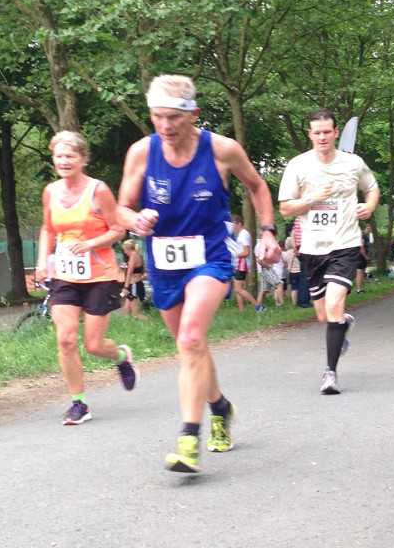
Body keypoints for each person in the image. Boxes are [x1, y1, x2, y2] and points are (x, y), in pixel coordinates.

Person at [117, 74, 280, 473]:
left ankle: (189, 440)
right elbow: (121, 208)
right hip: (163, 261)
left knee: (191, 338)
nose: (165, 126)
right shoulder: (142, 152)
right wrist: (135, 219)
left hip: (209, 255)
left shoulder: (222, 150)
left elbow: (258, 187)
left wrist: (269, 231)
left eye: (173, 117)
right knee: (191, 347)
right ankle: (220, 407)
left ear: (194, 114)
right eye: (157, 117)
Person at [36, 130, 138, 426]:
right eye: (59, 156)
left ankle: (121, 356)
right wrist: (42, 261)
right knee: (66, 339)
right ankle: (78, 403)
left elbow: (118, 229)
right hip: (65, 275)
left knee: (93, 345)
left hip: (99, 274)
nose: (64, 161)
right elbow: (48, 229)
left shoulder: (98, 190)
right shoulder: (51, 192)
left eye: (70, 156)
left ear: (82, 159)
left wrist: (92, 244)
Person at [278, 108, 379, 395]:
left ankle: (330, 373)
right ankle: (342, 325)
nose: (322, 136)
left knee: (335, 304)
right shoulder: (297, 166)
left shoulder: (353, 163)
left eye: (327, 131)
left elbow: (372, 189)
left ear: (336, 133)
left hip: (344, 244)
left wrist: (369, 206)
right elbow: (285, 208)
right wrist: (312, 198)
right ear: (310, 135)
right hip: (312, 249)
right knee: (324, 316)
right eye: (317, 132)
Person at [228, 215, 260, 311]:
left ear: (239, 224)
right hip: (239, 264)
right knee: (237, 288)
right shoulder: (241, 235)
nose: (232, 227)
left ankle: (258, 306)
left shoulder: (244, 234)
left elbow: (246, 252)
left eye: (233, 224)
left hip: (242, 264)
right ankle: (241, 310)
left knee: (238, 289)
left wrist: (234, 255)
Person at [121, 239, 147, 320]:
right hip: (133, 284)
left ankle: (149, 322)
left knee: (136, 313)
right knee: (125, 311)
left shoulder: (133, 256)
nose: (125, 252)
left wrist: (125, 287)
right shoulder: (138, 255)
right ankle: (125, 327)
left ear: (128, 249)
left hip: (133, 285)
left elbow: (129, 273)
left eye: (125, 250)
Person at [255, 237, 284, 307]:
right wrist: (267, 266)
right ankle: (281, 304)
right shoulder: (263, 245)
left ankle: (258, 307)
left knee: (263, 290)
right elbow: (259, 259)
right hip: (266, 269)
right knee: (279, 284)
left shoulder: (259, 245)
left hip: (262, 270)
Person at [282, 237, 300, 306]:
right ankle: (300, 301)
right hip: (299, 271)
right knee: (300, 287)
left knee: (294, 288)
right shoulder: (296, 251)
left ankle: (294, 303)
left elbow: (285, 262)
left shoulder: (286, 254)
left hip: (291, 272)